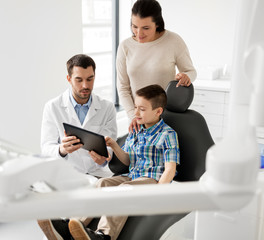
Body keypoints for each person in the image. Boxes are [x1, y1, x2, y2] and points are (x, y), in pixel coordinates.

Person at [39, 84, 180, 240]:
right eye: (135, 107)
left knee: (124, 189)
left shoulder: (167, 134)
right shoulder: (136, 130)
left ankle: (103, 235)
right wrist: (113, 145)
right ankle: (72, 226)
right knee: (102, 184)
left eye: (142, 109)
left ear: (158, 111)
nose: (136, 113)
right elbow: (128, 159)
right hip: (132, 176)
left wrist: (160, 194)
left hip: (152, 180)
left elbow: (170, 170)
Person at [117, 0, 197, 133]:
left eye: (146, 28)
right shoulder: (125, 46)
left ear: (158, 23)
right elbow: (123, 88)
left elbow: (191, 71)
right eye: (134, 26)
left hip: (165, 118)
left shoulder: (173, 41)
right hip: (137, 120)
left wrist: (186, 76)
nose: (139, 33)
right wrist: (133, 116)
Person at [40, 54, 117, 179]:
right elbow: (46, 148)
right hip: (67, 175)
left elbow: (110, 147)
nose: (85, 86)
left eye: (90, 79)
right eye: (79, 80)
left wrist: (103, 159)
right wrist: (62, 150)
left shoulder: (107, 107)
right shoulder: (52, 107)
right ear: (69, 79)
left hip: (98, 174)